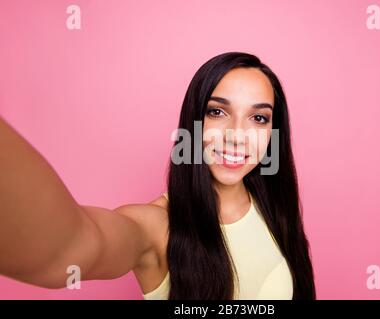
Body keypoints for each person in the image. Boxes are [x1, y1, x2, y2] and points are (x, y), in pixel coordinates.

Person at [0, 52, 316, 299]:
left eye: (258, 118)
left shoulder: (273, 206)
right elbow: (68, 252)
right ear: (193, 122)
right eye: (216, 112)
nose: (237, 135)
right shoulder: (157, 226)